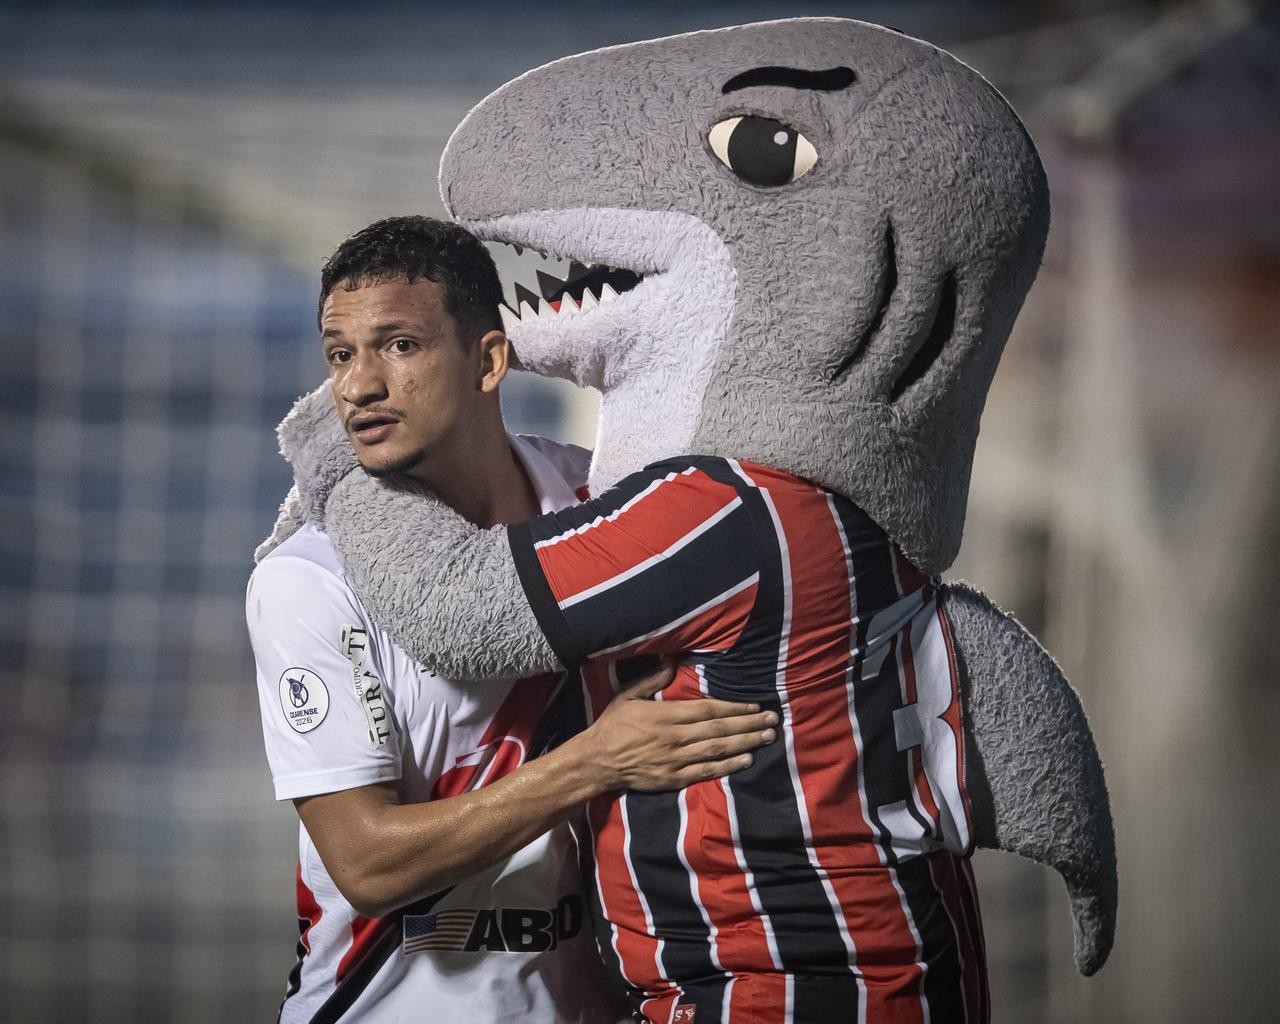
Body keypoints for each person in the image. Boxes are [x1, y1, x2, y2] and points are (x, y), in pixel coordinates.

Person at [246, 216, 779, 1024]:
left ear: (488, 360)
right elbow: (365, 863)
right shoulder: (310, 579)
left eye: (398, 345)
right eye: (340, 354)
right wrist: (592, 764)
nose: (356, 387)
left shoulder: (600, 498)